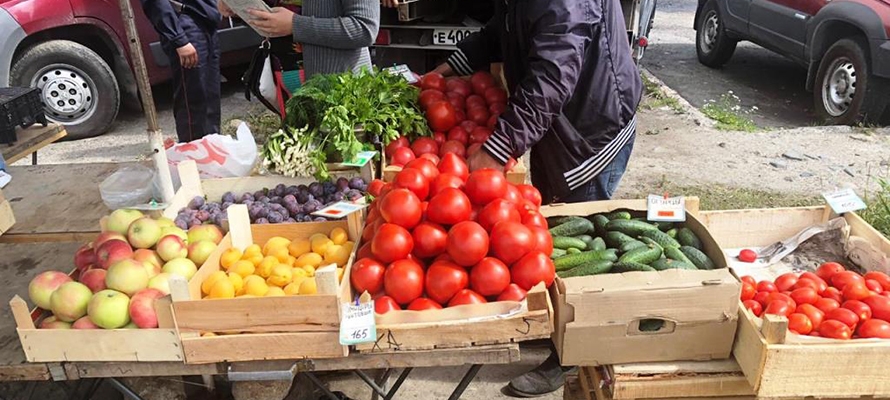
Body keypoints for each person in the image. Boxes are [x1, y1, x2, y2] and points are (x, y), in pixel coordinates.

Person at [425, 0, 643, 396]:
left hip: (591, 128)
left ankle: (572, 358)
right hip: (560, 124)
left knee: (585, 244)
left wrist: (497, 147)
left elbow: (551, 78)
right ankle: (553, 324)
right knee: (552, 224)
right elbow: (503, 28)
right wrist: (446, 70)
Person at [220, 0, 379, 78]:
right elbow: (274, 11)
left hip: (339, 88)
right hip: (287, 77)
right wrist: (239, 8)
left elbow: (364, 28)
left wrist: (295, 25)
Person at [139, 0, 222, 143]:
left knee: (210, 97)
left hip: (206, 21)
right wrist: (179, 39)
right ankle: (193, 152)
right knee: (192, 99)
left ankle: (211, 150)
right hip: (185, 24)